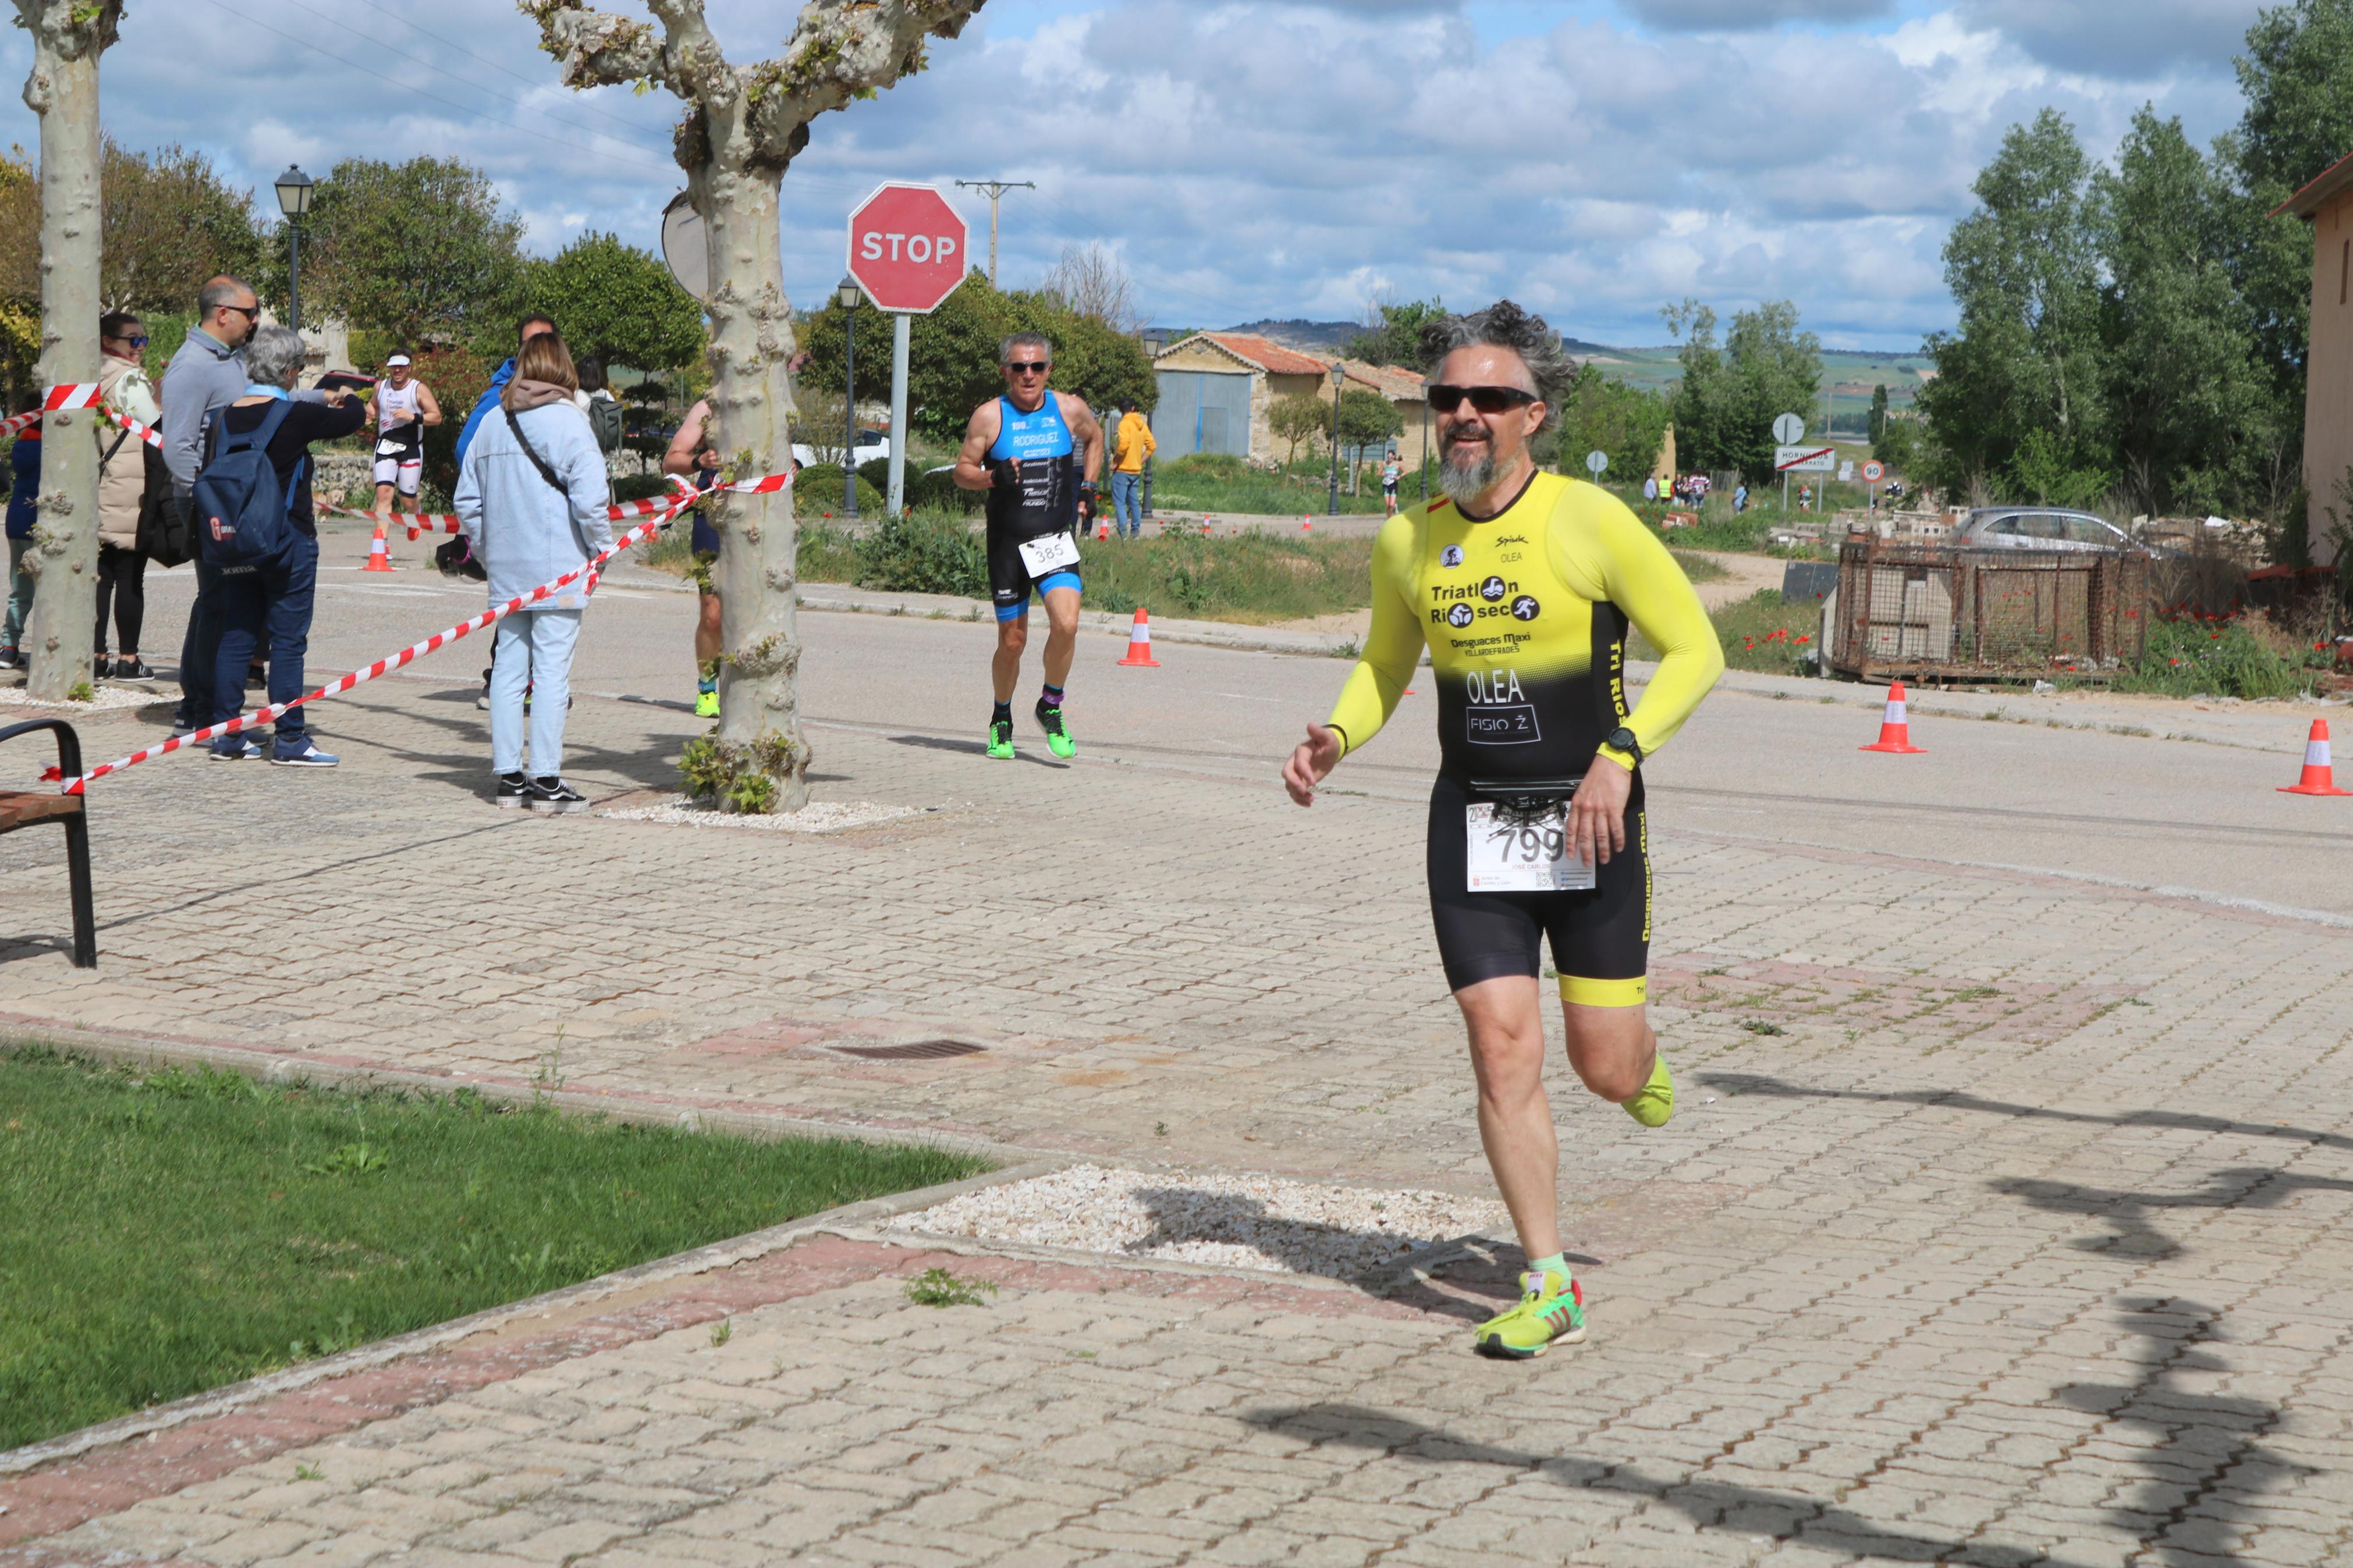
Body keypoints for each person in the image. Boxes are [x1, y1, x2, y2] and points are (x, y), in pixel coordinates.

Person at [1279, 300, 1723, 1361]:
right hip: (1474, 823)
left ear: (1533, 417)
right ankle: (1549, 1279)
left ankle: (1637, 1066)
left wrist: (1618, 756)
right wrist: (1337, 733)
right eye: (1448, 400)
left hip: (1590, 823)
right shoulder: (1409, 538)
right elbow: (1388, 666)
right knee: (1499, 1047)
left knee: (1601, 1066)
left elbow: (1697, 650)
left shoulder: (1591, 520)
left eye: (1489, 399)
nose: (1464, 414)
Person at [455, 330, 611, 812]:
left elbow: (467, 502)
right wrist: (602, 549)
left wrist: (487, 551)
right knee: (550, 674)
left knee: (507, 670)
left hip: (507, 568)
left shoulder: (492, 424)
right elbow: (591, 501)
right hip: (560, 565)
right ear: (562, 368)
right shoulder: (570, 423)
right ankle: (546, 778)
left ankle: (509, 777)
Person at [202, 325, 366, 766]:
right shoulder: (294, 416)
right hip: (287, 538)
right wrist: (345, 392)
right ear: (291, 371)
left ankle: (227, 735)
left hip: (233, 540)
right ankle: (291, 738)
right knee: (288, 641)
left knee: (236, 634)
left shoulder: (223, 416)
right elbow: (355, 419)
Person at [951, 331, 1103, 760]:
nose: (1028, 375)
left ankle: (1049, 705)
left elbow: (1094, 439)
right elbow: (962, 470)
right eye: (1019, 367)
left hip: (1053, 540)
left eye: (1037, 366)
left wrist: (1089, 487)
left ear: (1048, 370)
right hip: (1008, 545)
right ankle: (1002, 718)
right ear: (1006, 372)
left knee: (1067, 624)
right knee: (1013, 641)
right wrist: (990, 477)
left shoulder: (1069, 409)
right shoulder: (989, 417)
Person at [161, 275, 274, 735]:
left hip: (232, 503)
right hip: (211, 506)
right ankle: (200, 706)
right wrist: (212, 498)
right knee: (217, 604)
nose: (256, 321)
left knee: (223, 602)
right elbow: (178, 447)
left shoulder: (233, 359)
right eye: (252, 312)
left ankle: (207, 702)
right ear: (223, 313)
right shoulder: (192, 366)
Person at [94, 311, 161, 680]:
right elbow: (155, 427)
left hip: (103, 482)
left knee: (101, 577)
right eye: (131, 340)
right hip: (130, 486)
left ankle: (97, 655)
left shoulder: (93, 374)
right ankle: (129, 660)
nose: (139, 347)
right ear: (109, 341)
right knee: (130, 576)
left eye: (142, 340)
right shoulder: (128, 379)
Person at [660, 399, 726, 718]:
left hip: (760, 518)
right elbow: (671, 461)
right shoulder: (707, 406)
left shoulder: (769, 396)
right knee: (713, 613)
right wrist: (700, 461)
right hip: (712, 515)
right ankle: (707, 688)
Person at [453, 313, 557, 471]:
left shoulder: (564, 394)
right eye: (530, 343)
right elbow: (465, 450)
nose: (538, 350)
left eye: (546, 342)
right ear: (520, 348)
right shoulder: (499, 396)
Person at [364, 352, 441, 517]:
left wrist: (413, 417)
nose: (397, 370)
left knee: (407, 501)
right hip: (385, 446)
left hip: (411, 448)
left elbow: (436, 417)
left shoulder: (418, 389)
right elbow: (373, 405)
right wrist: (369, 413)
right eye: (394, 366)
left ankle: (416, 510)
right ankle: (379, 541)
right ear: (389, 368)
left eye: (401, 366)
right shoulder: (380, 387)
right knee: (383, 494)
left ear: (409, 368)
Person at [1, 390, 39, 670]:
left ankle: (9, 647)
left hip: (17, 522)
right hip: (42, 523)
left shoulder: (20, 446)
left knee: (21, 590)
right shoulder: (55, 448)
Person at [1108, 396, 1154, 539]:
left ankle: (1123, 534)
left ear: (1121, 410)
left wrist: (1116, 461)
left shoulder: (1124, 424)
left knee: (1120, 503)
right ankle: (1135, 533)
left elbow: (1124, 446)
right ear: (1133, 408)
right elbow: (1152, 446)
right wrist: (1140, 461)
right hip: (1135, 470)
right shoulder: (1142, 425)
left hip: (1123, 470)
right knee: (1134, 502)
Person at [1382, 445, 1404, 516]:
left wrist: (1399, 477)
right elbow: (1378, 474)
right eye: (1388, 457)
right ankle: (1390, 519)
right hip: (1386, 484)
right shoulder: (1384, 464)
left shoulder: (1397, 464)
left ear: (1394, 457)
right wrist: (1382, 474)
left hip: (1393, 484)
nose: (1389, 459)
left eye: (1391, 457)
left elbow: (1406, 471)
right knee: (1388, 506)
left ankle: (1395, 508)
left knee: (1391, 505)